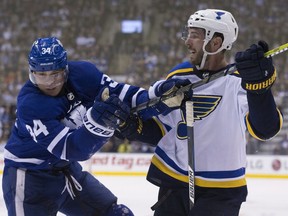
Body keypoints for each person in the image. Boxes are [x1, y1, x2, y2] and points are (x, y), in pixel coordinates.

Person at [115, 9, 283, 216]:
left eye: (194, 35)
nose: (187, 42)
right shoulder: (179, 75)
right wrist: (131, 128)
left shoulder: (240, 80)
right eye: (188, 34)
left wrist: (259, 88)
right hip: (175, 183)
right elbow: (165, 129)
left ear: (216, 42)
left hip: (222, 189)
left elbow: (265, 129)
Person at [1, 37, 153, 216]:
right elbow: (71, 149)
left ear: (65, 69)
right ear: (31, 72)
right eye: (41, 75)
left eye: (55, 73)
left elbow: (122, 94)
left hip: (64, 169)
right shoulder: (31, 104)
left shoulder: (83, 73)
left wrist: (156, 96)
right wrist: (98, 125)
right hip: (29, 176)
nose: (49, 82)